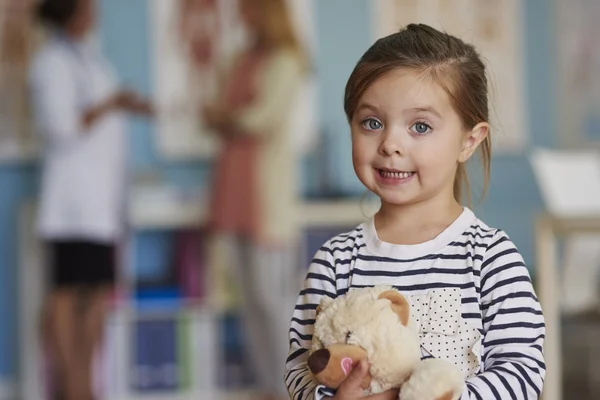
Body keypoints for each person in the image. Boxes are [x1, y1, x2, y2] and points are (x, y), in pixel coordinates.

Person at [285, 24, 546, 400]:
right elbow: (300, 366)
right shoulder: (335, 261)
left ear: (468, 141)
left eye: (420, 126)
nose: (390, 143)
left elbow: (523, 373)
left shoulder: (491, 258)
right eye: (371, 123)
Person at [29, 0, 152, 399]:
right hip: (72, 205)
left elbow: (97, 116)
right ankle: (72, 386)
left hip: (100, 204)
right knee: (65, 295)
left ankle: (89, 383)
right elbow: (61, 126)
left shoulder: (89, 59)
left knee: (98, 292)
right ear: (70, 11)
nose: (95, 11)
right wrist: (111, 103)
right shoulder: (50, 62)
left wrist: (121, 103)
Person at [201, 0, 308, 398]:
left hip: (266, 198)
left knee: (270, 297)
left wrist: (225, 117)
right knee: (246, 297)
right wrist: (221, 115)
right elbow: (219, 108)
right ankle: (267, 385)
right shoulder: (241, 58)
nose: (242, 18)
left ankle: (290, 387)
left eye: (249, 10)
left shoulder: (286, 60)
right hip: (233, 188)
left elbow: (263, 117)